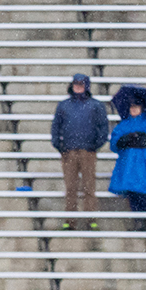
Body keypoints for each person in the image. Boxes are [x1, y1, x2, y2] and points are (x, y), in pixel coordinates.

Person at [51, 73, 109, 230]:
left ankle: (91, 220)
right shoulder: (64, 105)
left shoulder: (96, 105)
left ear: (86, 86)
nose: (78, 87)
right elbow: (56, 126)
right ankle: (70, 220)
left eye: (81, 84)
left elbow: (103, 127)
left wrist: (96, 145)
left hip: (87, 151)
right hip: (69, 151)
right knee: (71, 187)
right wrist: (59, 145)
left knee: (89, 187)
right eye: (76, 84)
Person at [109, 99, 146, 233]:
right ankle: (140, 221)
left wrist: (145, 138)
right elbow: (114, 143)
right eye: (131, 107)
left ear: (142, 108)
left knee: (140, 191)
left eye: (136, 106)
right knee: (132, 192)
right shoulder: (124, 124)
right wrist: (123, 140)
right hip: (127, 164)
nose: (133, 109)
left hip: (143, 164)